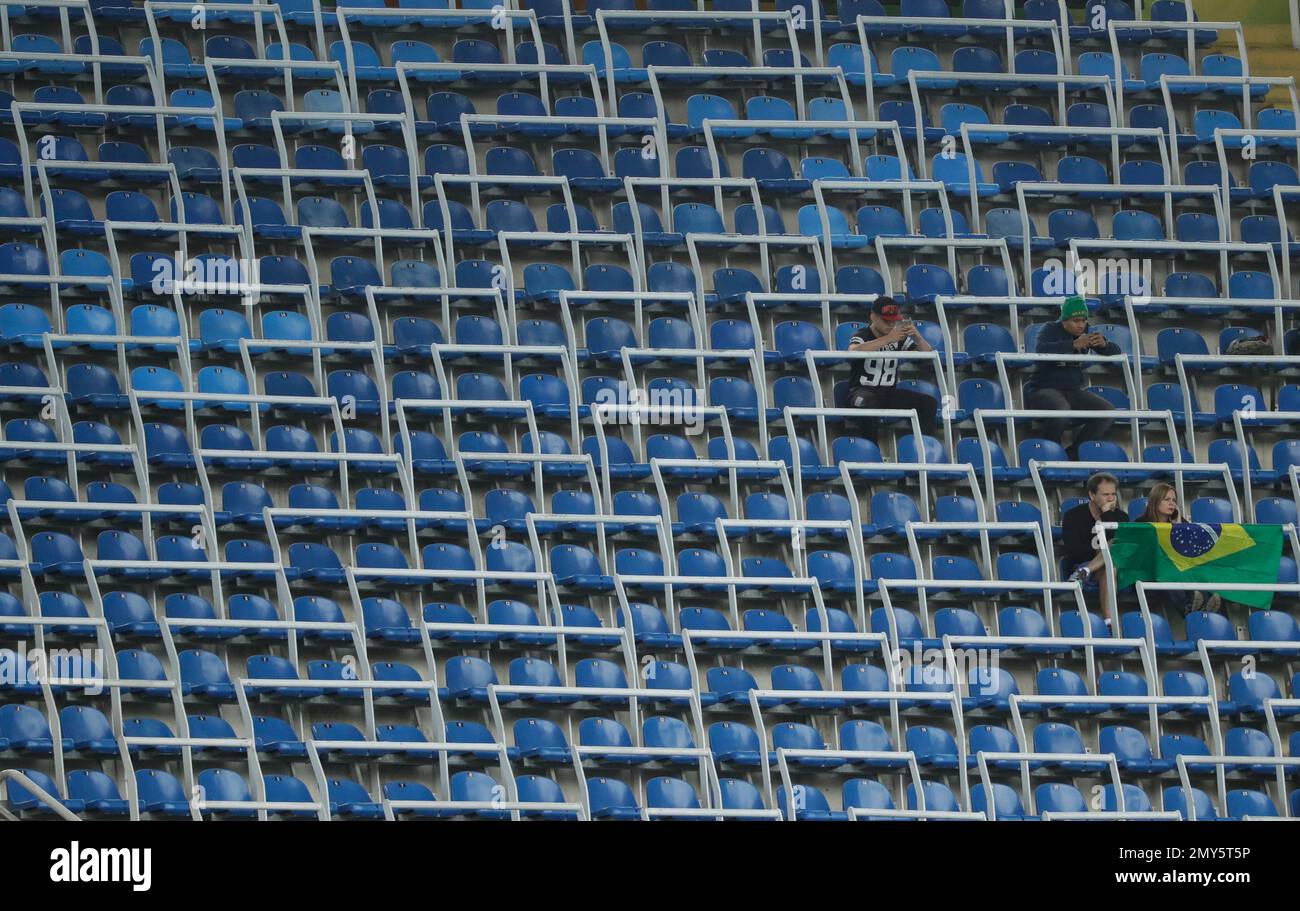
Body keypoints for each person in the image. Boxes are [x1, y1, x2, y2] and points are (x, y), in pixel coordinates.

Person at [1024, 295, 1120, 459]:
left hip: (1073, 390)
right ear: (1064, 320)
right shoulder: (1050, 328)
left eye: (1083, 320)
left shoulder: (1087, 331)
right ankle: (1050, 452)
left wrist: (1105, 345)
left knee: (1107, 412)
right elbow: (1040, 351)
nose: (1081, 325)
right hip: (1043, 388)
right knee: (1061, 409)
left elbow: (1116, 355)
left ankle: (1073, 453)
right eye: (1076, 321)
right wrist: (1072, 345)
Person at [845, 296, 937, 445]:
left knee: (928, 402)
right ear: (873, 317)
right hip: (860, 391)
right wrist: (888, 339)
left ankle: (920, 449)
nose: (891, 324)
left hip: (888, 393)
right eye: (886, 320)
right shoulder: (862, 335)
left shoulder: (899, 338)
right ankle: (872, 454)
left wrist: (917, 337)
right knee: (867, 405)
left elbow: (928, 356)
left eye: (894, 320)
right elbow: (852, 352)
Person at [1136, 484, 1222, 614]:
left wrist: (1179, 527)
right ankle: (1189, 607)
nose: (1172, 504)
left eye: (1174, 500)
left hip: (1177, 569)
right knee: (1167, 572)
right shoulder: (1141, 524)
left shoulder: (1179, 522)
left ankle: (1204, 603)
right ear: (1155, 501)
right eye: (1167, 499)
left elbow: (1190, 551)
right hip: (1151, 572)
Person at [1061, 472, 1127, 628]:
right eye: (1105, 495)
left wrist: (1107, 515)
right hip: (1082, 561)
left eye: (1113, 494)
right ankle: (1109, 620)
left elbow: (1123, 548)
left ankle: (1084, 572)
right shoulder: (1073, 516)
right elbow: (1073, 550)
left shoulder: (1121, 517)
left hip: (1113, 568)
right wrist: (1098, 553)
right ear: (1091, 494)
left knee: (1113, 555)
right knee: (1111, 555)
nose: (1110, 499)